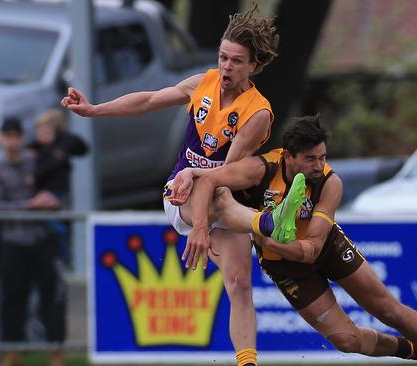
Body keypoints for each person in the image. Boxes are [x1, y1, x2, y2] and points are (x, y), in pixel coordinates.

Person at [61, 5, 279, 366]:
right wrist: (94, 110)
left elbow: (224, 174)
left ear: (253, 67)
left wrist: (200, 195)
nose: (227, 66)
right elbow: (148, 100)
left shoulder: (257, 113)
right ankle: (264, 224)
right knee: (220, 198)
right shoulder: (202, 82)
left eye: (237, 61)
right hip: (181, 196)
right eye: (224, 57)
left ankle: (247, 363)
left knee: (240, 287)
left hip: (222, 200)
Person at [181, 115, 417, 366]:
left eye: (323, 157)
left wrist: (268, 241)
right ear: (288, 157)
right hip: (285, 268)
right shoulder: (261, 170)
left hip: (325, 247)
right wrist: (200, 228)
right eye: (310, 159)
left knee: (389, 309)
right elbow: (207, 181)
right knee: (347, 341)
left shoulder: (330, 182)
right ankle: (413, 351)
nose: (319, 166)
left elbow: (312, 248)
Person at [0, 118, 66, 366]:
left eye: (16, 135)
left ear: (21, 137)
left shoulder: (36, 160)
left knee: (52, 298)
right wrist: (30, 205)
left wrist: (53, 199)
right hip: (13, 243)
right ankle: (11, 352)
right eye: (7, 135)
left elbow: (58, 186)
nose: (12, 141)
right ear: (0, 138)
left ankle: (56, 353)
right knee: (12, 299)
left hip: (42, 239)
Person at [27, 108, 89, 204]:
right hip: (40, 191)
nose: (41, 133)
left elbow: (82, 149)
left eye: (46, 129)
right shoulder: (35, 147)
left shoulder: (63, 144)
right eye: (39, 129)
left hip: (58, 191)